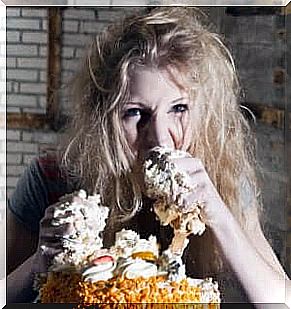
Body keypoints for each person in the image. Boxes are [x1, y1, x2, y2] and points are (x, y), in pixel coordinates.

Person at [7, 7, 290, 305]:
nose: (159, 137)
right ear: (103, 117)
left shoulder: (224, 177)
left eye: (179, 108)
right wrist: (39, 263)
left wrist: (219, 214)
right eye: (135, 113)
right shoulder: (49, 179)